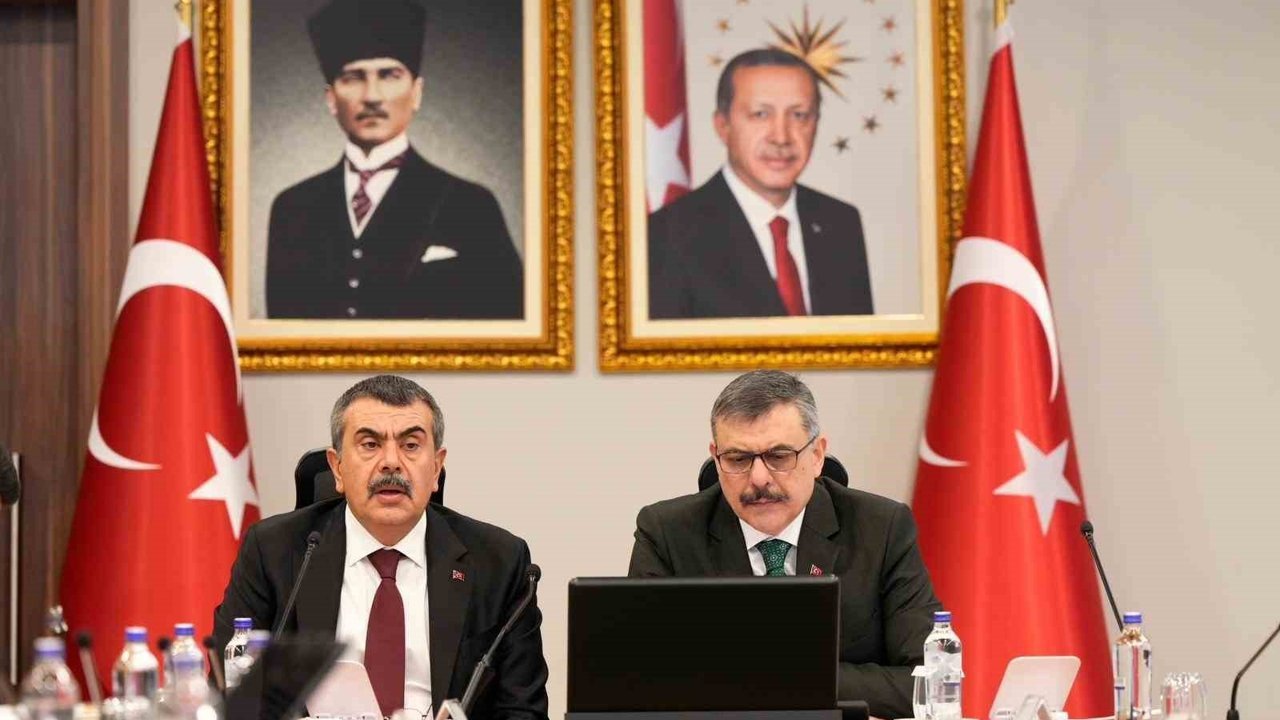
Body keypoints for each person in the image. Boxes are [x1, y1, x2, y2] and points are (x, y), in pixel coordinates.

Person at [214, 375, 549, 719]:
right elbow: (231, 693)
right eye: (370, 444)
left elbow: (523, 711)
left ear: (436, 467)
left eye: (411, 445)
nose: (391, 462)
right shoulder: (274, 551)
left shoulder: (498, 562)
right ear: (337, 467)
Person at [628, 370, 939, 719]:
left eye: (778, 456)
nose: (759, 478)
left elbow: (929, 682)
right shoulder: (667, 534)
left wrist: (785, 679)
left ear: (817, 455)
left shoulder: (881, 529)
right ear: (716, 458)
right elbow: (636, 680)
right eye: (738, 459)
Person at [265, 0, 523, 320]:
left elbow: (507, 327)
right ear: (331, 99)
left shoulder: (470, 206)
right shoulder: (293, 208)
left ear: (416, 93)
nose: (372, 96)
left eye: (389, 75)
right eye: (353, 77)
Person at [647, 49, 874, 320]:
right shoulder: (668, 235)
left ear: (816, 124)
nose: (781, 137)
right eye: (760, 114)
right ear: (723, 126)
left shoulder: (840, 223)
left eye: (799, 115)